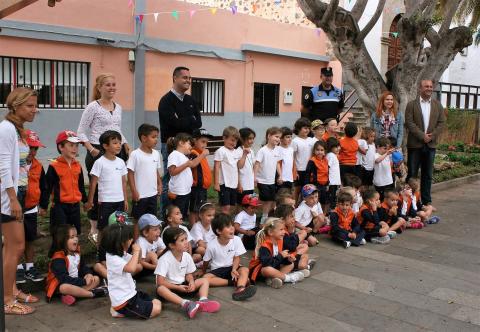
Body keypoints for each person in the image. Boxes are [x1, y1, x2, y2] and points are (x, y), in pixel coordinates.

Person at [77, 73, 130, 242]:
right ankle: (94, 227)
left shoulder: (119, 107)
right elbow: (80, 131)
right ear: (99, 87)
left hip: (117, 150)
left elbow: (117, 129)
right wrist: (91, 149)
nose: (112, 87)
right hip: (97, 150)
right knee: (99, 190)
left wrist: (126, 143)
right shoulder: (93, 107)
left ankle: (116, 224)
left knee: (116, 186)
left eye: (114, 84)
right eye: (108, 85)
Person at [0, 87, 38, 314]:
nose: (34, 110)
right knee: (16, 246)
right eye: (29, 106)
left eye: (35, 106)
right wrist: (12, 199)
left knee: (11, 249)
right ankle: (6, 300)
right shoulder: (6, 129)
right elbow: (3, 166)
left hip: (18, 194)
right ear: (15, 106)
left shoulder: (17, 129)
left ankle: (12, 290)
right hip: (9, 197)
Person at [158, 67, 202, 215]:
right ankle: (167, 215)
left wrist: (184, 120)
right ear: (175, 78)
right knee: (170, 181)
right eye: (184, 77)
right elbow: (173, 124)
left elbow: (198, 123)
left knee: (185, 179)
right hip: (171, 147)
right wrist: (190, 119)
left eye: (189, 78)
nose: (188, 80)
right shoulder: (166, 101)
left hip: (187, 148)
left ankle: (180, 215)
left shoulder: (191, 100)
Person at [155, 227, 221, 319]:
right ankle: (186, 304)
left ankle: (203, 301)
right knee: (160, 289)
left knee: (204, 280)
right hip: (170, 288)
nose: (186, 242)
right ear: (171, 245)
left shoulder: (186, 256)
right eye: (182, 240)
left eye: (186, 239)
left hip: (184, 286)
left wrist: (191, 282)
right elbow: (160, 282)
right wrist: (178, 287)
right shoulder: (165, 259)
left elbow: (188, 274)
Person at [104, 223, 162, 319]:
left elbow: (137, 262)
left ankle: (117, 310)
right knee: (157, 308)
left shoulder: (119, 253)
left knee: (155, 301)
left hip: (131, 294)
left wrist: (138, 251)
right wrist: (135, 251)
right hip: (124, 302)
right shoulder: (113, 258)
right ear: (120, 243)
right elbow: (131, 269)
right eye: (128, 239)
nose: (131, 240)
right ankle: (117, 310)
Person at [405, 79, 446, 206]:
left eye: (430, 86)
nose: (429, 88)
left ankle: (427, 201)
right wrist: (422, 136)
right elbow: (409, 123)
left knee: (427, 175)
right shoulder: (411, 105)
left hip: (431, 145)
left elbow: (442, 123)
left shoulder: (437, 105)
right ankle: (410, 202)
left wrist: (431, 136)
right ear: (420, 88)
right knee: (412, 174)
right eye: (426, 86)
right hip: (415, 145)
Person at [46, 224, 108, 306]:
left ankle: (74, 294)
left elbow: (83, 267)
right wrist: (83, 281)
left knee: (96, 279)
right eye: (72, 237)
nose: (76, 239)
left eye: (76, 236)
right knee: (64, 287)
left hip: (76, 282)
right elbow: (64, 279)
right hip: (61, 285)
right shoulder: (58, 258)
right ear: (63, 240)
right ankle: (92, 294)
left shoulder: (77, 254)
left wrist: (88, 274)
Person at [17, 130, 48, 284]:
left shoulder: (38, 166)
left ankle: (29, 267)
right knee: (16, 240)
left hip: (31, 208)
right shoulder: (14, 164)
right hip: (15, 209)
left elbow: (43, 186)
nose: (32, 151)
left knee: (30, 238)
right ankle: (17, 268)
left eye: (35, 148)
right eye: (30, 147)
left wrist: (43, 205)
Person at [202, 213, 257, 301]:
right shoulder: (211, 245)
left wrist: (234, 269)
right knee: (205, 279)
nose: (232, 228)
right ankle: (234, 282)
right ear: (219, 231)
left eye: (232, 225)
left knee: (244, 270)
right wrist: (203, 271)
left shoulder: (237, 240)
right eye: (228, 226)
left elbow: (237, 257)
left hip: (232, 267)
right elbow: (206, 261)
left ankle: (240, 288)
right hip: (218, 269)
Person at [86, 131, 128, 237]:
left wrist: (125, 200)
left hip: (119, 202)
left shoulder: (121, 162)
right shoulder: (99, 162)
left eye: (120, 143)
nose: (119, 145)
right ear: (105, 146)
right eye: (115, 143)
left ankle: (117, 250)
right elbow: (93, 183)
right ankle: (101, 252)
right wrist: (90, 201)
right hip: (105, 202)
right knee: (104, 228)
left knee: (120, 227)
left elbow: (123, 182)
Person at [45, 131, 87, 237]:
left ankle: (74, 253)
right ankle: (58, 253)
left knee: (75, 234)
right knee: (61, 236)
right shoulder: (54, 166)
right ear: (61, 147)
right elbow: (47, 187)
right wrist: (43, 205)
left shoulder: (78, 165)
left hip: (75, 207)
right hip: (59, 207)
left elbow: (81, 186)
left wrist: (85, 201)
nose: (75, 148)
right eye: (71, 145)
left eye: (77, 146)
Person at [127, 124, 162, 239]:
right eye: (153, 137)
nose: (156, 139)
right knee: (138, 220)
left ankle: (150, 242)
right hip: (140, 195)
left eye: (157, 137)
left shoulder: (156, 154)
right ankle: (136, 243)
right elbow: (130, 173)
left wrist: (159, 183)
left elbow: (155, 171)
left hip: (152, 194)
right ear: (143, 138)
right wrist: (134, 191)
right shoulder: (135, 154)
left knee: (151, 219)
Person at [248, 218, 305, 288]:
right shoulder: (264, 245)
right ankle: (289, 278)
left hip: (274, 265)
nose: (284, 232)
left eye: (284, 229)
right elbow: (267, 263)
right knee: (267, 269)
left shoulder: (279, 241)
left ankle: (274, 279)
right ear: (270, 232)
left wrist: (288, 260)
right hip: (259, 271)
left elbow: (278, 259)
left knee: (291, 264)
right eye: (281, 230)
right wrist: (281, 256)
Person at [167, 133, 208, 219]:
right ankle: (173, 229)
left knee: (182, 214)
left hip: (185, 192)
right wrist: (186, 165)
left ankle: (180, 226)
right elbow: (172, 172)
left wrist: (202, 155)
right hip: (178, 192)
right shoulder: (174, 155)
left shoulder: (183, 156)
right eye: (189, 144)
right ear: (181, 143)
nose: (191, 146)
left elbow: (192, 164)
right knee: (176, 214)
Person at [254, 127, 282, 224]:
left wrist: (280, 175)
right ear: (269, 136)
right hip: (262, 180)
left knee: (271, 200)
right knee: (266, 200)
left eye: (279, 137)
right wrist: (254, 177)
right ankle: (263, 218)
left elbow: (277, 163)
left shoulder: (277, 150)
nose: (278, 139)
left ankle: (267, 216)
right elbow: (257, 164)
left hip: (271, 181)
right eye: (276, 136)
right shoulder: (263, 150)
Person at [274, 204, 315, 272]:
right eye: (291, 216)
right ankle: (306, 266)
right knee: (305, 256)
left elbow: (288, 243)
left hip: (282, 256)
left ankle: (302, 264)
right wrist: (294, 232)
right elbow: (291, 246)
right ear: (282, 219)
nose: (294, 219)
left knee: (304, 246)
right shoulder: (282, 231)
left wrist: (291, 231)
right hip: (283, 259)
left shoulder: (280, 228)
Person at [214, 126, 241, 215]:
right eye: (232, 140)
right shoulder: (220, 151)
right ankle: (223, 224)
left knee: (232, 205)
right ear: (224, 138)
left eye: (236, 141)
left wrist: (239, 183)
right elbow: (216, 167)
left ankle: (226, 222)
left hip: (233, 184)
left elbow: (237, 168)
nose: (234, 143)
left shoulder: (236, 152)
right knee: (226, 206)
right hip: (224, 184)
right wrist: (216, 183)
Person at [189, 128, 212, 226]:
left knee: (200, 208)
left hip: (202, 188)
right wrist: (203, 154)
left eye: (206, 142)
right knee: (194, 210)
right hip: (196, 188)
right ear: (194, 140)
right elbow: (193, 164)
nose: (205, 145)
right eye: (203, 142)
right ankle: (193, 227)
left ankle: (198, 227)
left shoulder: (200, 153)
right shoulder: (193, 153)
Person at [292, 117, 312, 202]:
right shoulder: (295, 141)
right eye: (305, 128)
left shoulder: (311, 140)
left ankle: (303, 206)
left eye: (308, 128)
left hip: (309, 169)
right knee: (297, 190)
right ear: (299, 128)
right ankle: (294, 206)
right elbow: (292, 156)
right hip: (299, 169)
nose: (307, 130)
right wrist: (295, 170)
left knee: (307, 191)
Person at [305, 140, 329, 210]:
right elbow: (308, 173)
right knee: (315, 201)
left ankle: (323, 214)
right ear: (314, 151)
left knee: (324, 200)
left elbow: (327, 173)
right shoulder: (312, 161)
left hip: (324, 184)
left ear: (325, 151)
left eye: (322, 150)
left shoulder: (325, 160)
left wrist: (328, 183)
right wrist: (307, 185)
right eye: (317, 150)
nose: (320, 152)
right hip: (315, 185)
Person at [236, 127, 256, 205]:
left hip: (250, 184)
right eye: (249, 138)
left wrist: (254, 179)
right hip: (242, 184)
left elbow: (253, 166)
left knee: (249, 204)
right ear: (241, 138)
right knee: (241, 205)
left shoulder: (252, 151)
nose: (252, 141)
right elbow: (239, 167)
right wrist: (239, 184)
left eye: (253, 138)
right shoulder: (238, 151)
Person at [325, 137, 341, 211]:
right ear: (330, 147)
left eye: (338, 146)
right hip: (332, 182)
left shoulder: (333, 155)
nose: (338, 148)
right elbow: (327, 167)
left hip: (334, 182)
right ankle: (330, 213)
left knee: (333, 198)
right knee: (331, 199)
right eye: (335, 147)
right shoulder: (331, 155)